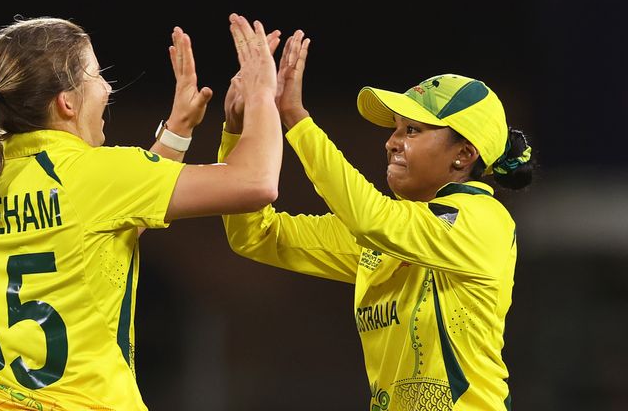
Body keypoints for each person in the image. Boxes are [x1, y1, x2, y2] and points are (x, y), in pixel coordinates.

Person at [0, 13, 281, 410]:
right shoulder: (89, 174)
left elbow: (98, 235)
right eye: (95, 74)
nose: (106, 87)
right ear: (66, 102)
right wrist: (262, 93)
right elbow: (256, 182)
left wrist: (176, 132)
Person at [220, 29, 534, 410]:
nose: (392, 141)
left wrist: (295, 118)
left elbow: (370, 218)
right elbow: (256, 235)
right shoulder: (396, 230)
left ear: (464, 155)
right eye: (396, 129)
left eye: (413, 130)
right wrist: (238, 131)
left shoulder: (483, 220)